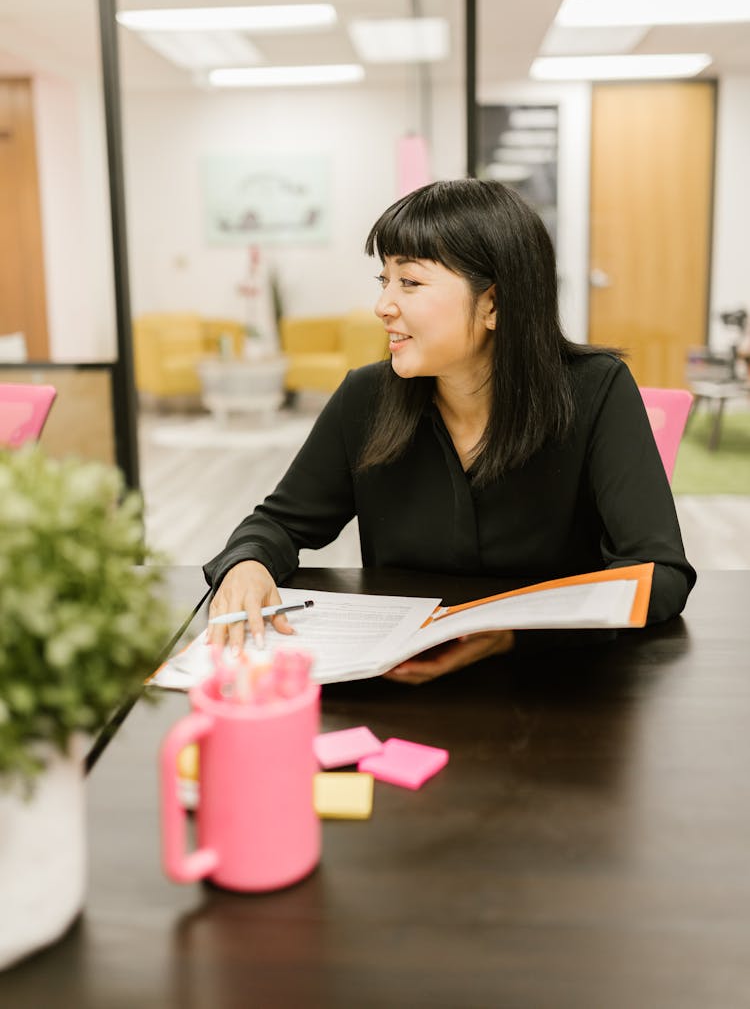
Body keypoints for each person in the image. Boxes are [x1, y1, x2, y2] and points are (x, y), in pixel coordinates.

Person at [204, 179, 695, 683]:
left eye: (410, 283)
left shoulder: (597, 389)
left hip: (562, 689)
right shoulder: (366, 396)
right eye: (384, 280)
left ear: (493, 304)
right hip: (400, 686)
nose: (383, 306)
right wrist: (247, 565)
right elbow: (276, 525)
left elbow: (658, 572)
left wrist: (512, 636)